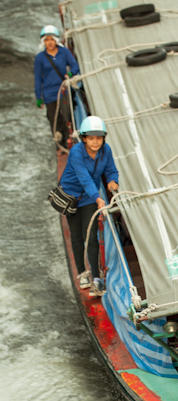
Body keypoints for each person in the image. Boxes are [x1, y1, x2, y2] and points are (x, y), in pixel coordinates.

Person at [59, 116, 119, 296]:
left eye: (99, 138)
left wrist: (113, 180)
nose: (95, 142)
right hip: (71, 197)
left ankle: (96, 277)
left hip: (89, 198)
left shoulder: (105, 151)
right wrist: (98, 197)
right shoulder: (76, 152)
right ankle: (82, 272)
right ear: (83, 138)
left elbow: (111, 169)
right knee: (77, 237)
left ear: (103, 139)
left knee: (91, 237)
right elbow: (84, 178)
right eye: (91, 138)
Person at [34, 25, 80, 153]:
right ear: (43, 42)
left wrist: (70, 74)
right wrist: (38, 97)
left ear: (56, 40)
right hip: (49, 94)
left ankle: (70, 141)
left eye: (52, 39)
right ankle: (60, 145)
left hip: (64, 90)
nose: (49, 42)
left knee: (67, 117)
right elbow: (38, 78)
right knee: (54, 119)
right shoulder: (40, 58)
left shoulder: (64, 52)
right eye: (47, 40)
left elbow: (74, 66)